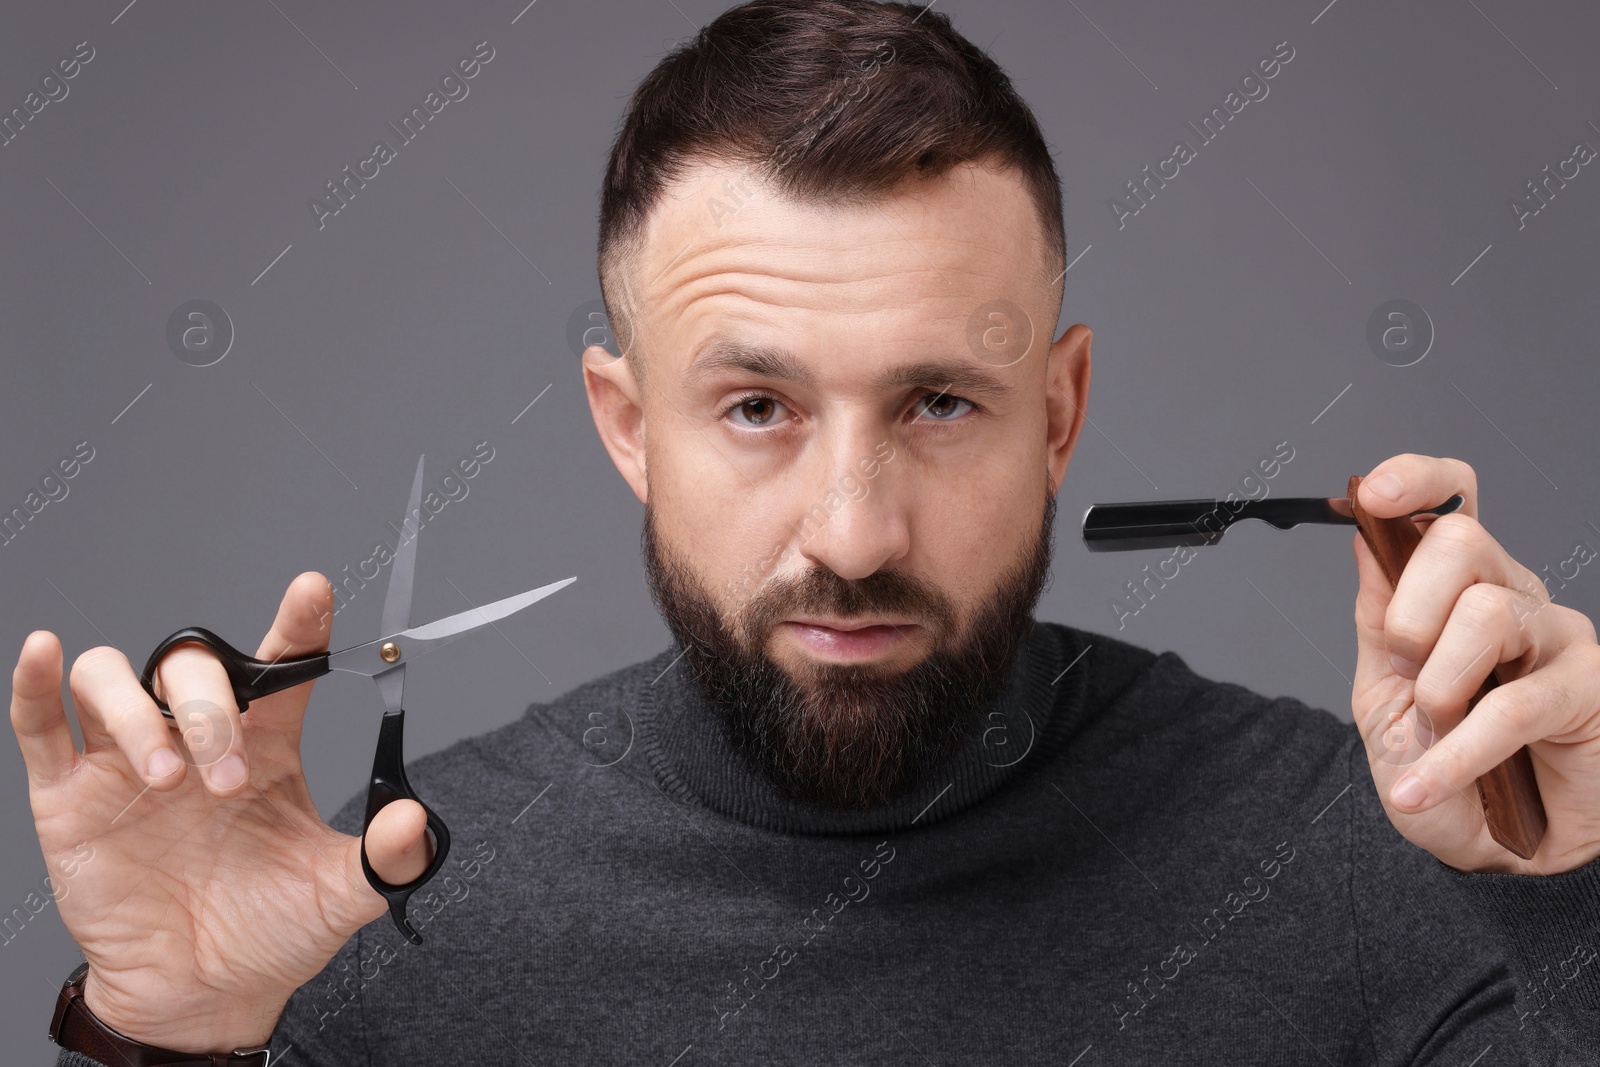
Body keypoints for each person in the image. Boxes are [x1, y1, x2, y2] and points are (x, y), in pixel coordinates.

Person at [16, 1, 1600, 1063]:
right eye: (758, 407)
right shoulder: (368, 912)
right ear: (627, 425)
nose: (851, 532)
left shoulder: (1373, 863)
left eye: (939, 404)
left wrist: (1576, 887)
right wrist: (171, 1035)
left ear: (1060, 411)